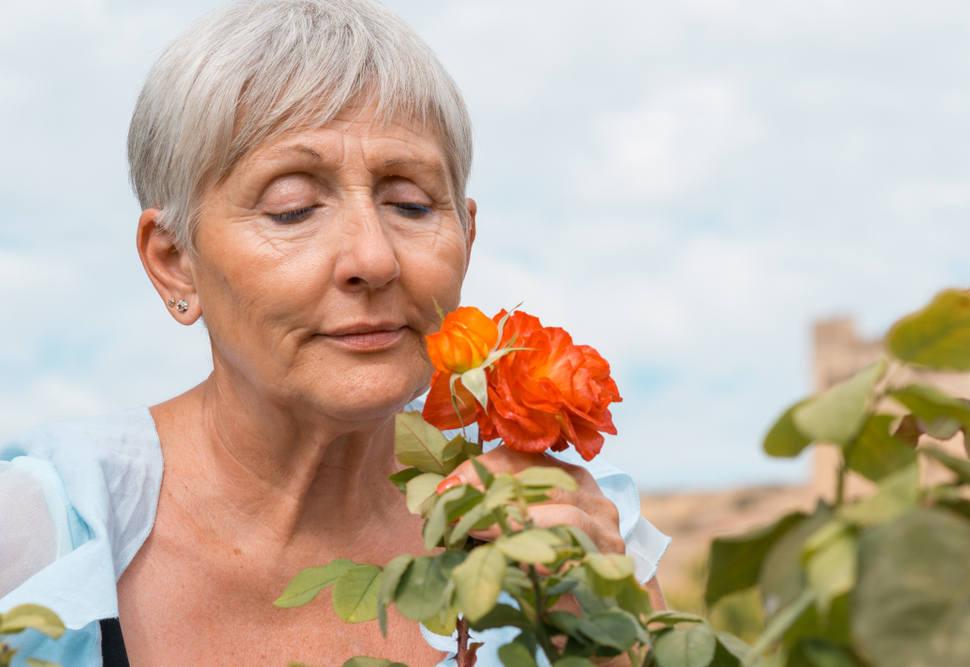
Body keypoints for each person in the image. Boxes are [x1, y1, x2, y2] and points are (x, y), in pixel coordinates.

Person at [0, 0, 670, 665]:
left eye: (410, 203)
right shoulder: (37, 542)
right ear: (175, 262)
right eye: (292, 209)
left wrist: (595, 642)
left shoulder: (571, 536)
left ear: (466, 236)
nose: (374, 258)